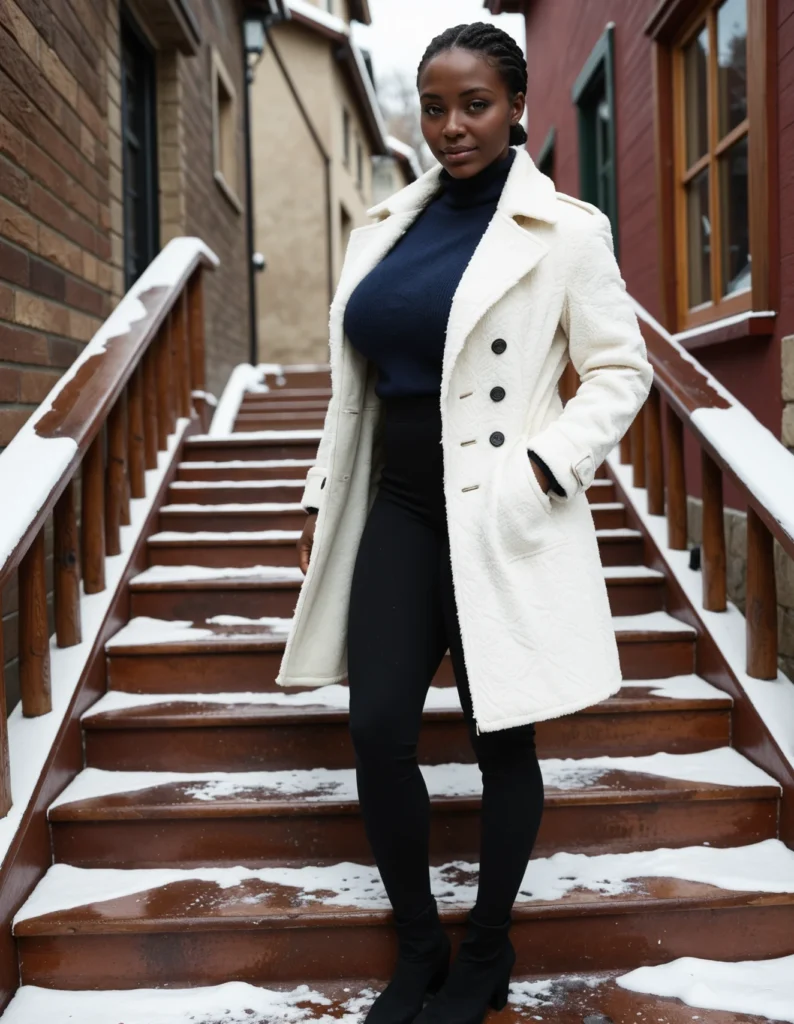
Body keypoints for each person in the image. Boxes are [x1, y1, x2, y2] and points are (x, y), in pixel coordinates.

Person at [276, 21, 654, 1024]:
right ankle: (416, 947)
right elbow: (350, 393)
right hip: (394, 505)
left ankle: (486, 948)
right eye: (434, 106)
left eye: (473, 104)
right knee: (376, 728)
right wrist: (320, 497)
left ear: (515, 105)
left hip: (496, 513)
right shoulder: (385, 227)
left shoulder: (564, 230)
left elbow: (621, 370)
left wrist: (542, 466)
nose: (450, 126)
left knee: (503, 744)